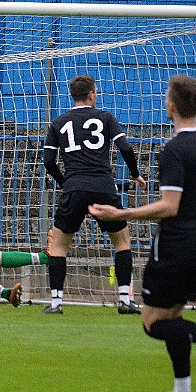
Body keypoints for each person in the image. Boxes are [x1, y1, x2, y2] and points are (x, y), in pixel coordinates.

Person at [89, 74, 196, 392]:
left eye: (166, 96)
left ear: (172, 104)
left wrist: (119, 214)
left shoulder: (175, 149)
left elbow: (169, 207)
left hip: (176, 247)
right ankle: (182, 391)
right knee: (173, 318)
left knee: (152, 323)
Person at [42, 74, 147, 314]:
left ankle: (56, 303)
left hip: (74, 187)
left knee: (59, 246)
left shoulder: (58, 123)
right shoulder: (106, 118)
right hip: (103, 186)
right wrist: (135, 174)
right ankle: (125, 300)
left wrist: (65, 182)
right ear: (91, 94)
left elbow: (48, 161)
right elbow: (126, 148)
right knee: (121, 243)